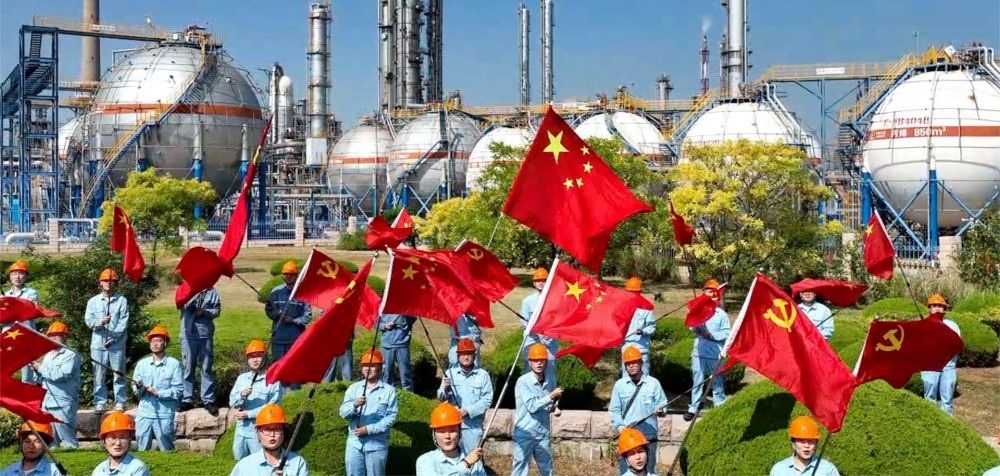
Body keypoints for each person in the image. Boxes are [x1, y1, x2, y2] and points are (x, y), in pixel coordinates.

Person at [339, 349, 399, 476]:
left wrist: (368, 430)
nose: (367, 369)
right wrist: (354, 405)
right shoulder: (353, 388)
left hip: (376, 445)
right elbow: (343, 413)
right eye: (365, 365)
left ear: (380, 368)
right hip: (354, 444)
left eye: (372, 365)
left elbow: (390, 418)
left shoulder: (389, 391)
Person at [609, 346, 667, 474]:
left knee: (649, 470)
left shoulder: (653, 383)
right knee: (627, 472)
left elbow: (663, 404)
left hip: (648, 435)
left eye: (634, 362)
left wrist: (661, 410)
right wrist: (621, 428)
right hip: (628, 436)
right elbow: (614, 410)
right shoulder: (619, 385)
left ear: (641, 362)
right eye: (628, 363)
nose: (631, 366)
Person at [512, 343, 563, 476]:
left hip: (542, 432)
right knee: (520, 469)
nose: (539, 363)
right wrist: (551, 396)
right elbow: (532, 406)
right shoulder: (523, 381)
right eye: (535, 360)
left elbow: (548, 404)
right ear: (529, 362)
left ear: (546, 362)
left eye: (541, 360)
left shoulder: (550, 379)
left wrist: (554, 407)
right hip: (525, 432)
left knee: (547, 469)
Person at [685, 278, 731, 422]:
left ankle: (719, 406)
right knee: (697, 381)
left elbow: (727, 333)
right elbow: (691, 326)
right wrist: (695, 321)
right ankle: (693, 408)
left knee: (717, 382)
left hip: (715, 354)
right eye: (708, 291)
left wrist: (711, 335)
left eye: (714, 291)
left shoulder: (721, 314)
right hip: (699, 352)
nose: (711, 294)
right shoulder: (699, 310)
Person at [437, 338, 493, 455]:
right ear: (458, 356)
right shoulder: (449, 373)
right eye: (462, 354)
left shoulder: (483, 375)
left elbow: (487, 399)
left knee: (474, 459)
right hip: (452, 426)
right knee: (452, 458)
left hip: (473, 427)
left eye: (469, 354)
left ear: (474, 355)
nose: (466, 357)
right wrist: (446, 389)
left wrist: (469, 410)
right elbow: (441, 397)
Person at [229, 339, 284, 461]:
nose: (255, 360)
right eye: (251, 357)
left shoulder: (273, 380)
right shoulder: (242, 379)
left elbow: (273, 407)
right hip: (241, 428)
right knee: (239, 459)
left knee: (259, 461)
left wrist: (248, 414)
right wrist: (242, 395)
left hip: (259, 430)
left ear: (265, 358)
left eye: (259, 356)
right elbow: (232, 402)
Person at [131, 325, 184, 451]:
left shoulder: (174, 364)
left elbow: (178, 390)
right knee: (142, 446)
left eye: (159, 341)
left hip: (164, 413)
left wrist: (158, 393)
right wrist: (139, 388)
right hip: (144, 413)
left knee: (166, 447)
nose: (155, 344)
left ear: (165, 343)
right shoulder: (142, 364)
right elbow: (136, 390)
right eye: (152, 341)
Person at [30, 321, 81, 448]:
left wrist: (40, 368)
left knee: (68, 439)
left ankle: (73, 456)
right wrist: (36, 371)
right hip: (47, 402)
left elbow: (61, 375)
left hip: (63, 402)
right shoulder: (48, 355)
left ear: (64, 336)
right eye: (51, 335)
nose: (53, 338)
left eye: (57, 335)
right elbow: (43, 379)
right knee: (51, 440)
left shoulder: (71, 355)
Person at [85, 268, 129, 411]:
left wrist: (113, 337)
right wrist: (101, 322)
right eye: (105, 281)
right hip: (98, 344)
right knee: (99, 374)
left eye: (111, 281)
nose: (108, 283)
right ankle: (100, 401)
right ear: (100, 283)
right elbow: (89, 321)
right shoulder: (92, 301)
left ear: (115, 283)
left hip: (116, 344)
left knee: (119, 373)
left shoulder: (122, 301)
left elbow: (123, 322)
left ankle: (120, 401)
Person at [230, 403, 309, 476]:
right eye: (267, 429)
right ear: (258, 433)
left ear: (284, 432)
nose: (272, 434)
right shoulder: (244, 466)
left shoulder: (298, 463)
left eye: (277, 429)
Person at [178, 286, 221, 415]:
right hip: (188, 334)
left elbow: (217, 311)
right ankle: (187, 399)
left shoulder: (213, 292)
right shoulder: (186, 288)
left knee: (206, 367)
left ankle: (208, 400)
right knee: (187, 367)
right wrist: (195, 295)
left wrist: (204, 312)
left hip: (205, 334)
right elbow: (182, 304)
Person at [415, 402, 486, 476]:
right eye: (442, 432)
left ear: (460, 432)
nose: (447, 436)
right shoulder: (425, 460)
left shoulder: (475, 461)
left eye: (452, 431)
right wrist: (466, 464)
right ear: (434, 434)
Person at [920, 293, 963, 415]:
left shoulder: (953, 325)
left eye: (940, 306)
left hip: (949, 365)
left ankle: (948, 421)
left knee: (947, 398)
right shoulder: (923, 325)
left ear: (945, 309)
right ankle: (929, 420)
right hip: (930, 365)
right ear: (929, 308)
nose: (938, 308)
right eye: (934, 306)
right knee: (929, 397)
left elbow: (958, 345)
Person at [265, 261, 312, 361]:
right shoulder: (276, 291)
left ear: (297, 275)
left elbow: (307, 316)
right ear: (282, 275)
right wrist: (277, 314)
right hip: (278, 339)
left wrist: (293, 320)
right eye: (286, 274)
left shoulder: (303, 292)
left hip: (296, 339)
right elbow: (269, 310)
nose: (288, 276)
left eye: (291, 274)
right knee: (278, 366)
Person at [519, 268, 557, 391]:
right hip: (532, 339)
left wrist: (549, 332)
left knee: (550, 366)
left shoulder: (555, 300)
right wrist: (534, 328)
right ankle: (527, 393)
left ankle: (551, 396)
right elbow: (523, 321)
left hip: (549, 340)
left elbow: (558, 320)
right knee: (529, 367)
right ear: (534, 283)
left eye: (544, 280)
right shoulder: (527, 301)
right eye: (538, 280)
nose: (541, 283)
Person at [4, 260, 40, 382]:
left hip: (26, 333)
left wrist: (9, 307)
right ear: (10, 277)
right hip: (8, 334)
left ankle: (28, 388)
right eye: (14, 274)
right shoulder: (5, 295)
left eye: (21, 273)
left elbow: (29, 311)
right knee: (5, 365)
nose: (17, 277)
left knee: (27, 367)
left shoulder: (32, 293)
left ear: (26, 276)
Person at [769, 416, 840, 476]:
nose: (806, 445)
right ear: (793, 443)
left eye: (811, 441)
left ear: (816, 443)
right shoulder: (779, 470)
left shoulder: (828, 469)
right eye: (801, 441)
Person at [93, 411, 150, 476]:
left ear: (129, 440)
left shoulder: (137, 468)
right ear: (104, 442)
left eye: (122, 437)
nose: (118, 443)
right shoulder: (99, 470)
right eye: (113, 437)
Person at [621, 277, 655, 376]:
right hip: (626, 346)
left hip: (641, 347)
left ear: (639, 292)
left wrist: (643, 331)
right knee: (626, 378)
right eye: (629, 292)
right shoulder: (622, 307)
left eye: (633, 292)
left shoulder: (646, 307)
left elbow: (652, 327)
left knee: (644, 377)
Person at [378, 313, 416, 391]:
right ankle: (386, 393)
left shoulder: (407, 311)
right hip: (386, 345)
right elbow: (376, 324)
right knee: (386, 373)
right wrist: (385, 326)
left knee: (405, 373)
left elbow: (412, 319)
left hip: (402, 345)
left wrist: (404, 315)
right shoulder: (383, 310)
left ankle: (408, 393)